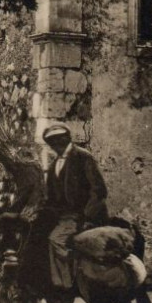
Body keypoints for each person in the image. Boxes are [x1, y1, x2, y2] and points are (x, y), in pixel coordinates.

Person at [40, 122, 109, 291]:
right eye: (52, 141)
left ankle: (66, 285)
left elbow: (98, 190)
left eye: (59, 140)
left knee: (56, 240)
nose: (56, 144)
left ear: (67, 138)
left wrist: (87, 216)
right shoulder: (54, 164)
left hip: (80, 215)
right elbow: (51, 197)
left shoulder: (83, 157)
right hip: (62, 216)